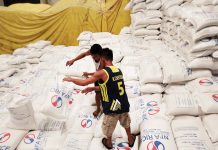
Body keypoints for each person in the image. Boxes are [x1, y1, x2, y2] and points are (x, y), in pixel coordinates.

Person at [63, 48, 135, 149]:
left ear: (103, 59)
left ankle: (109, 143)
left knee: (108, 127)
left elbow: (83, 82)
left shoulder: (102, 72)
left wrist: (71, 79)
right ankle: (130, 139)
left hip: (112, 107)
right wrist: (92, 88)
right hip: (123, 103)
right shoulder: (118, 71)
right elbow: (109, 86)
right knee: (126, 123)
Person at [66, 44, 103, 117]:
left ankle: (99, 109)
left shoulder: (103, 62)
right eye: (92, 55)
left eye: (95, 56)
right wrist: (73, 60)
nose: (93, 57)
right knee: (98, 93)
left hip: (103, 75)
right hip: (98, 73)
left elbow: (98, 73)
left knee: (99, 92)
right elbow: (84, 54)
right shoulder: (93, 52)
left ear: (100, 54)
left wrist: (88, 74)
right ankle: (99, 105)